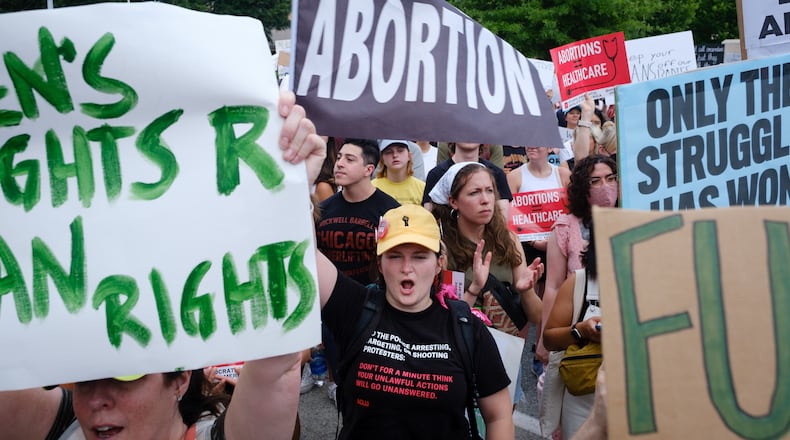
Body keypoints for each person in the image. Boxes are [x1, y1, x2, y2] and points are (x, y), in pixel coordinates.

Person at [0, 89, 327, 440]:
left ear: (180, 380)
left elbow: (278, 363)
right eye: (84, 379)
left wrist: (287, 195)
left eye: (125, 376)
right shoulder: (65, 428)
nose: (96, 400)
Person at [317, 204, 515, 439]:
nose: (406, 268)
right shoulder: (356, 308)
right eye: (394, 256)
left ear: (439, 263)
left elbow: (499, 415)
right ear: (380, 263)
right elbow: (302, 249)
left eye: (420, 257)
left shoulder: (466, 327)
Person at [429, 162, 543, 405]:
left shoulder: (508, 238)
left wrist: (526, 291)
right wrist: (474, 289)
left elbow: (536, 316)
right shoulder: (441, 248)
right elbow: (441, 321)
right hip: (460, 357)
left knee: (501, 422)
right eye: (474, 192)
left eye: (490, 191)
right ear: (453, 201)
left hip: (505, 356)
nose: (485, 200)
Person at [543, 225, 602, 439]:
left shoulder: (655, 286)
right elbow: (549, 338)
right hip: (583, 401)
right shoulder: (580, 282)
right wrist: (582, 330)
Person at [316, 138, 400, 285]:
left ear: (368, 169)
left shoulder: (391, 211)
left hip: (373, 298)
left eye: (350, 159)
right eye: (339, 157)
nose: (339, 164)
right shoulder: (322, 209)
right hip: (329, 297)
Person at [423, 142, 512, 219]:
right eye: (463, 129)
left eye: (489, 191)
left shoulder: (496, 173)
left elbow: (502, 220)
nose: (469, 135)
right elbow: (429, 219)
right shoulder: (436, 174)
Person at [371, 139, 426, 206]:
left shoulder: (422, 188)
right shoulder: (371, 188)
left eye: (400, 151)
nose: (395, 155)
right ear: (382, 159)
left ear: (409, 156)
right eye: (389, 152)